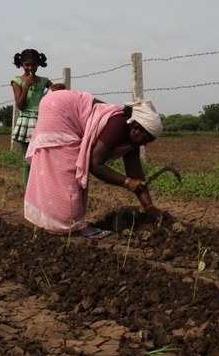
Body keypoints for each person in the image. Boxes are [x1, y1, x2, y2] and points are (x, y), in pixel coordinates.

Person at [24, 89, 163, 238]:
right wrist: (128, 182)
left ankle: (53, 222)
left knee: (60, 171)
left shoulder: (132, 140)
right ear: (135, 128)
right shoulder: (118, 126)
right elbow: (94, 165)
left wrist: (149, 206)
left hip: (59, 104)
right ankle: (75, 226)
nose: (145, 145)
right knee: (69, 170)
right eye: (145, 139)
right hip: (60, 109)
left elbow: (136, 173)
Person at [11, 49, 65, 187]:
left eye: (33, 65)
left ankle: (41, 188)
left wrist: (61, 88)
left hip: (42, 121)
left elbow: (54, 93)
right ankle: (28, 190)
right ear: (21, 64)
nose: (30, 68)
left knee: (43, 158)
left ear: (38, 64)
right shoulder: (18, 82)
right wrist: (26, 87)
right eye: (27, 65)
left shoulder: (44, 81)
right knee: (27, 159)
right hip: (26, 122)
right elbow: (21, 105)